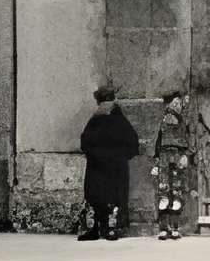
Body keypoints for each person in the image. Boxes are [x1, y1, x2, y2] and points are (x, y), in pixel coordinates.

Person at [78, 85, 139, 242]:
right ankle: (97, 227)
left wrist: (115, 156)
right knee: (96, 196)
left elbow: (132, 144)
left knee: (110, 196)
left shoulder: (113, 121)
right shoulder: (99, 121)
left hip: (110, 166)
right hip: (101, 166)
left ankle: (109, 227)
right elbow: (85, 143)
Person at [152, 91, 196, 240]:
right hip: (165, 158)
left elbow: (189, 141)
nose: (177, 106)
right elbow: (158, 143)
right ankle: (164, 228)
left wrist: (185, 155)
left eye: (178, 103)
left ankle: (175, 227)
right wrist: (157, 162)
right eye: (174, 103)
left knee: (176, 192)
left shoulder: (183, 122)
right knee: (164, 192)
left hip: (177, 158)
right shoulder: (164, 121)